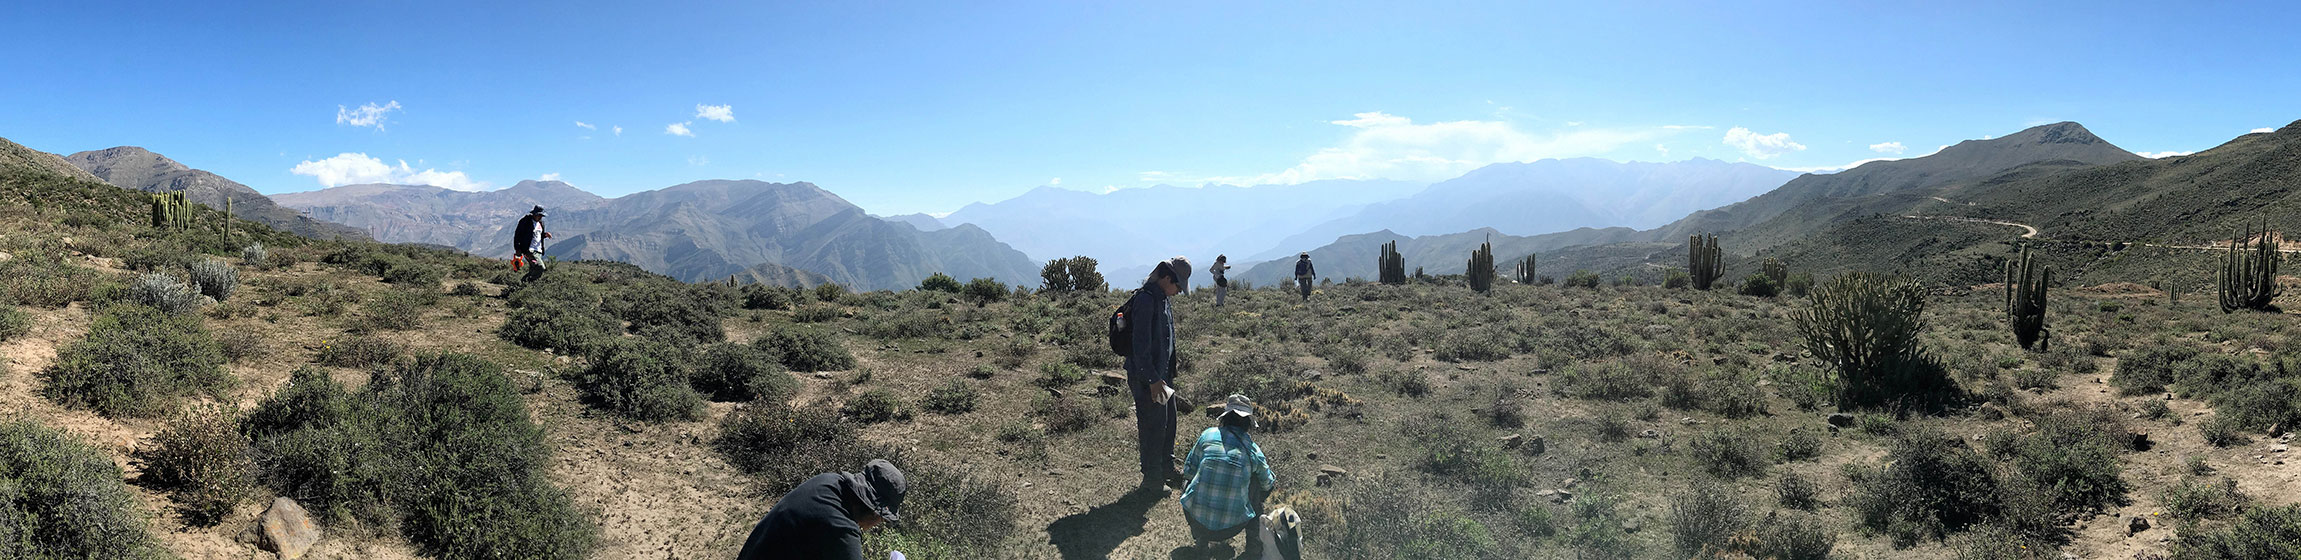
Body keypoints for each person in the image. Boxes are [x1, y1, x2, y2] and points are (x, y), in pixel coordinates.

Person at [735, 459, 908, 560]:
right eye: (883, 518)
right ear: (873, 512)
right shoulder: (841, 528)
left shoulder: (829, 482)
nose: (879, 523)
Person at [1180, 394, 1276, 556]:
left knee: (1188, 480)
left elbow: (1188, 471)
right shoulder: (1253, 450)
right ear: (1248, 423)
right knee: (1256, 484)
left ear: (1225, 417)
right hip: (1232, 527)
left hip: (1197, 521)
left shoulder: (1207, 435)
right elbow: (1268, 484)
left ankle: (1201, 541)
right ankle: (1253, 547)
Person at [1126, 256, 1190, 493]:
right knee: (1152, 426)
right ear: (1165, 278)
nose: (1179, 292)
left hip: (1162, 375)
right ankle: (1151, 481)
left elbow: (1164, 338)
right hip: (1148, 378)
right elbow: (1139, 347)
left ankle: (1166, 468)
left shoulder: (1162, 298)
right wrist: (1152, 380)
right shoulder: (1146, 300)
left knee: (1167, 422)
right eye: (1178, 286)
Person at [512, 205, 552, 282]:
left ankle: (523, 286)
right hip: (529, 250)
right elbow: (517, 235)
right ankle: (527, 283)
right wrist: (517, 248)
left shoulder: (541, 223)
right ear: (534, 214)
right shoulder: (525, 221)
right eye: (539, 215)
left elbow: (537, 235)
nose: (540, 217)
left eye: (541, 215)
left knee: (533, 269)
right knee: (540, 267)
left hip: (538, 250)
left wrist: (545, 235)